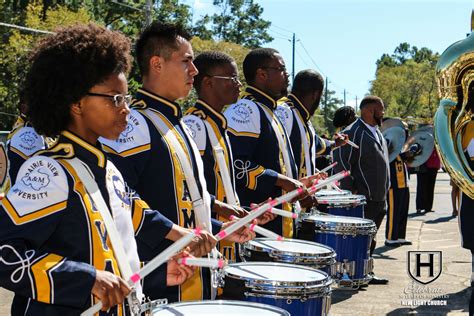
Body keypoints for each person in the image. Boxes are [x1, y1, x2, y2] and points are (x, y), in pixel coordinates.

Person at [0, 23, 195, 315]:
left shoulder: (108, 171)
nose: (126, 109)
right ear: (77, 103)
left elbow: (107, 256)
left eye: (126, 98)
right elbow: (6, 254)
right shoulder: (49, 172)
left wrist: (154, 274)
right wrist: (85, 278)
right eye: (115, 98)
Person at [100, 22, 254, 303]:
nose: (194, 71)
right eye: (186, 62)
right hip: (160, 283)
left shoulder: (178, 123)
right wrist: (173, 233)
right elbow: (117, 200)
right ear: (156, 64)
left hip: (194, 280)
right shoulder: (135, 123)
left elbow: (187, 206)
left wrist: (225, 230)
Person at [224, 48, 313, 238]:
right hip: (258, 226)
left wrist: (296, 183)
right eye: (281, 69)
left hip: (278, 223)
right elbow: (237, 166)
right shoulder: (246, 109)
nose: (287, 75)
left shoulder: (269, 109)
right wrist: (282, 181)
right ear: (262, 74)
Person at [333, 95, 390, 284]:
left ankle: (366, 272)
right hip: (363, 198)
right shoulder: (353, 132)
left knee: (371, 238)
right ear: (369, 110)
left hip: (379, 196)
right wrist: (351, 192)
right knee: (358, 240)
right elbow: (341, 162)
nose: (383, 113)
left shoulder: (377, 132)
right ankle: (352, 275)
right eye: (381, 109)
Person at [274, 69, 347, 203]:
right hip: (282, 203)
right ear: (316, 95)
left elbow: (315, 144)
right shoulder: (284, 111)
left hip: (298, 201)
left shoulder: (301, 116)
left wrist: (335, 143)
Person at [384, 121, 413, 247]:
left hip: (403, 183)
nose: (406, 132)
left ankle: (400, 236)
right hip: (394, 184)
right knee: (394, 211)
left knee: (402, 210)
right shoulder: (389, 143)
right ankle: (390, 237)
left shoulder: (401, 147)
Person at [415, 134, 440, 213]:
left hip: (434, 165)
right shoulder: (422, 137)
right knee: (421, 187)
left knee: (430, 187)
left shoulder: (437, 140)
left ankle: (428, 207)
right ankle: (419, 206)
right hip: (424, 165)